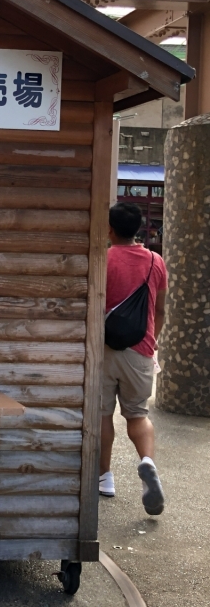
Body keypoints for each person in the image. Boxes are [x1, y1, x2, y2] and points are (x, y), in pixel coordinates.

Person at [99, 202, 167, 515]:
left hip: (104, 348)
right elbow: (160, 309)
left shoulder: (103, 259)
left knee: (101, 415)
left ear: (109, 229)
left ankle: (105, 478)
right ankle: (147, 462)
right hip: (141, 350)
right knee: (137, 414)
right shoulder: (156, 261)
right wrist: (151, 343)